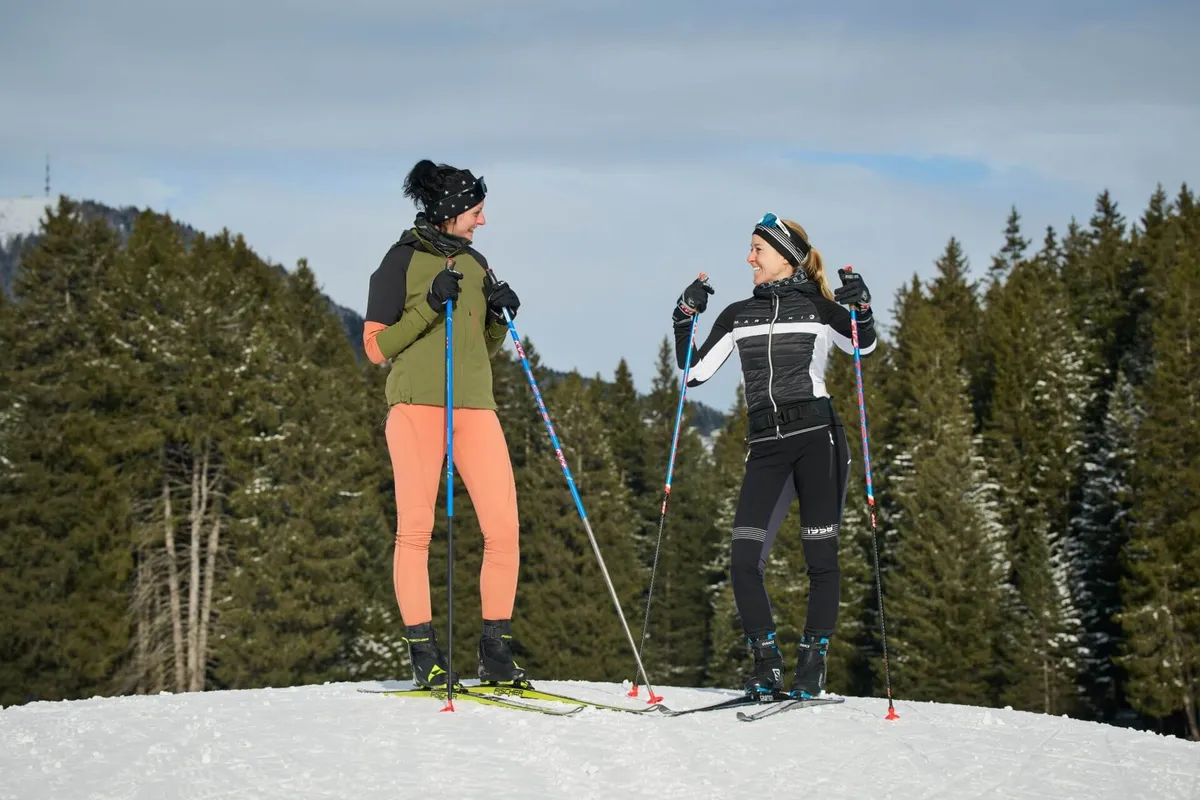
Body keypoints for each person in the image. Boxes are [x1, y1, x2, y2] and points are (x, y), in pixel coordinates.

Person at [671, 213, 876, 699]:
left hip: (817, 438)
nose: (749, 258)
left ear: (785, 256)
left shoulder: (821, 308)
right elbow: (693, 374)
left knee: (819, 556)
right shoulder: (738, 315)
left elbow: (861, 344)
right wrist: (683, 315)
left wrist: (861, 306)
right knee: (744, 560)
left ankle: (812, 661)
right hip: (765, 446)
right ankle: (767, 663)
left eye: (757, 250)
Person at [363, 159, 526, 689]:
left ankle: (495, 651)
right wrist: (429, 306)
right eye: (476, 212)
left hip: (476, 407)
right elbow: (374, 347)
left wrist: (500, 317)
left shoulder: (478, 264)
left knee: (503, 530)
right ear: (450, 211)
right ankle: (423, 653)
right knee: (416, 532)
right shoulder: (399, 261)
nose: (483, 221)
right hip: (416, 409)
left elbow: (483, 348)